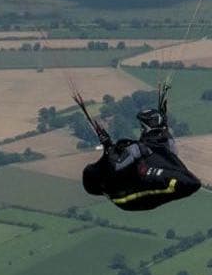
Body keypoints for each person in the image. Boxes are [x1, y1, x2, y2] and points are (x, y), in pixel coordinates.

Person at [74, 85, 204, 211]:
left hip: (134, 197)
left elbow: (166, 148)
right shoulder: (135, 152)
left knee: (144, 152)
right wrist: (110, 149)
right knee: (141, 152)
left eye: (142, 127)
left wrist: (110, 148)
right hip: (128, 196)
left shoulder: (156, 149)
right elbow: (117, 164)